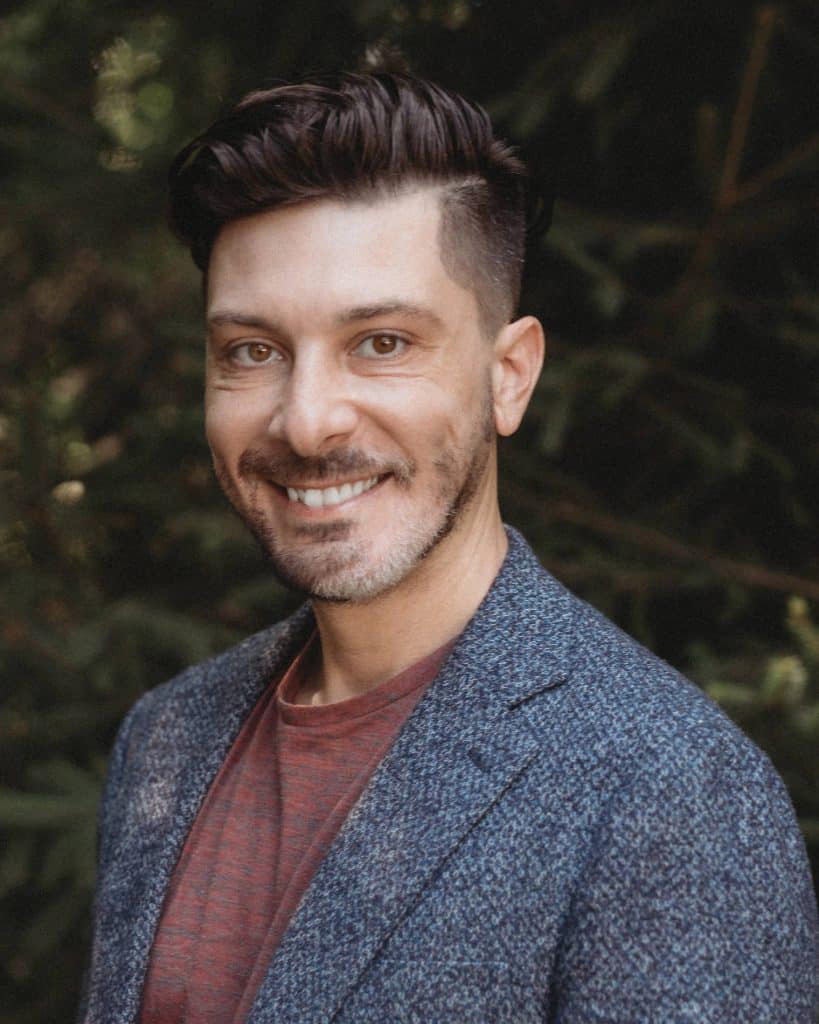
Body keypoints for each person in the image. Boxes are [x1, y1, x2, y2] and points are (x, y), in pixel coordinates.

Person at [79, 71, 818, 1023]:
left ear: (509, 377)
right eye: (252, 352)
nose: (306, 422)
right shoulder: (166, 739)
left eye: (381, 343)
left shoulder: (669, 793)